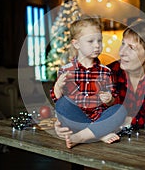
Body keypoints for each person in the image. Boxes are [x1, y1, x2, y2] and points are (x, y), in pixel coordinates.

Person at [54, 18, 145, 138]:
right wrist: (64, 122)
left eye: (131, 48)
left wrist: (123, 121)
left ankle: (88, 134)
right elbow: (84, 103)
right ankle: (89, 135)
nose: (122, 52)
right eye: (123, 44)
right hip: (113, 133)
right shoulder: (109, 72)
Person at [50, 15, 127, 148]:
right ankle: (98, 134)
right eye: (91, 41)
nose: (97, 45)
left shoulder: (106, 71)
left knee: (120, 109)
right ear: (76, 44)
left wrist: (109, 100)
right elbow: (58, 101)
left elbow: (113, 99)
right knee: (62, 104)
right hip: (75, 120)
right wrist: (57, 87)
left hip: (99, 118)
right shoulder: (65, 70)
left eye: (99, 40)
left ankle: (83, 135)